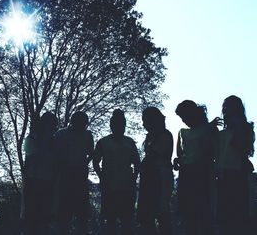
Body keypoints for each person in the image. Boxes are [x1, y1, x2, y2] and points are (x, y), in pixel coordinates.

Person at [93, 109, 140, 235]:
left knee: (126, 221)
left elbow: (137, 162)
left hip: (126, 187)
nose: (120, 127)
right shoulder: (103, 142)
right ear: (111, 125)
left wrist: (133, 179)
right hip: (109, 186)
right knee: (111, 221)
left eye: (122, 125)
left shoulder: (129, 142)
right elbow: (95, 162)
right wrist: (102, 177)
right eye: (118, 124)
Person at [174, 100, 217, 235]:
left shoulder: (209, 129)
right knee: (188, 213)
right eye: (182, 118)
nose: (184, 121)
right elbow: (180, 154)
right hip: (186, 173)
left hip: (202, 173)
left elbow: (212, 152)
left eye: (185, 117)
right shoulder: (182, 132)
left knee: (203, 211)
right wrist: (177, 160)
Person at [215, 95, 255, 235]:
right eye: (224, 108)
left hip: (238, 175)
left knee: (239, 213)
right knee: (224, 216)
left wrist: (238, 127)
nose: (226, 111)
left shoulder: (246, 129)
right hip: (222, 176)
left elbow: (244, 149)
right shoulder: (221, 134)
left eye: (229, 108)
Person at [55, 111, 94, 235]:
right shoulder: (61, 134)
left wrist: (83, 163)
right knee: (64, 213)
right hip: (65, 174)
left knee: (81, 213)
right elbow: (55, 153)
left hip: (79, 174)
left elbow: (91, 153)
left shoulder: (87, 135)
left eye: (83, 124)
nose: (82, 126)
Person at [137, 107, 174, 235]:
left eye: (145, 121)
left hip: (160, 177)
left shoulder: (165, 135)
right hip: (149, 178)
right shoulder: (151, 137)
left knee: (161, 212)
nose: (143, 124)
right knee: (146, 215)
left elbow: (152, 156)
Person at [23, 111, 59, 235]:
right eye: (52, 125)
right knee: (32, 220)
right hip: (34, 182)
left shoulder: (55, 142)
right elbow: (32, 159)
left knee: (44, 221)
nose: (54, 128)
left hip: (48, 183)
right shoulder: (32, 138)